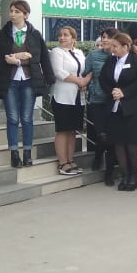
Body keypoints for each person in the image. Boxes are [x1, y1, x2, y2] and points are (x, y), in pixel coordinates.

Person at [0, 0, 54, 168]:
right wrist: (16, 57)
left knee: (26, 118)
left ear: (26, 15)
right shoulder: (3, 34)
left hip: (29, 81)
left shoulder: (35, 34)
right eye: (11, 11)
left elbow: (43, 58)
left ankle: (27, 153)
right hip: (9, 81)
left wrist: (50, 80)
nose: (12, 14)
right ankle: (14, 154)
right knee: (12, 118)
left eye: (17, 11)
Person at [99, 31, 137, 191]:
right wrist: (112, 91)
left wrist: (125, 93)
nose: (112, 49)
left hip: (134, 108)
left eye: (115, 46)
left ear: (125, 47)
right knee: (119, 142)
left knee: (132, 142)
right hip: (115, 107)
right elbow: (102, 78)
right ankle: (125, 175)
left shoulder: (136, 61)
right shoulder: (110, 61)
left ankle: (133, 176)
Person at [48, 26, 90, 175]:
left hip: (77, 97)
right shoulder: (56, 52)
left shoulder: (79, 52)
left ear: (73, 38)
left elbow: (85, 71)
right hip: (62, 96)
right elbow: (59, 72)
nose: (62, 37)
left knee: (72, 130)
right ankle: (62, 163)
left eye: (66, 35)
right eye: (60, 35)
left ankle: (71, 160)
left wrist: (85, 82)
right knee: (63, 129)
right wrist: (79, 81)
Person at [82, 28, 118, 185]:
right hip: (97, 100)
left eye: (108, 37)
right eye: (103, 37)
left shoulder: (119, 57)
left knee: (112, 136)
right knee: (101, 134)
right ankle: (97, 157)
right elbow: (86, 73)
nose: (104, 40)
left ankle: (109, 173)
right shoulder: (93, 55)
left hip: (113, 101)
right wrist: (89, 85)